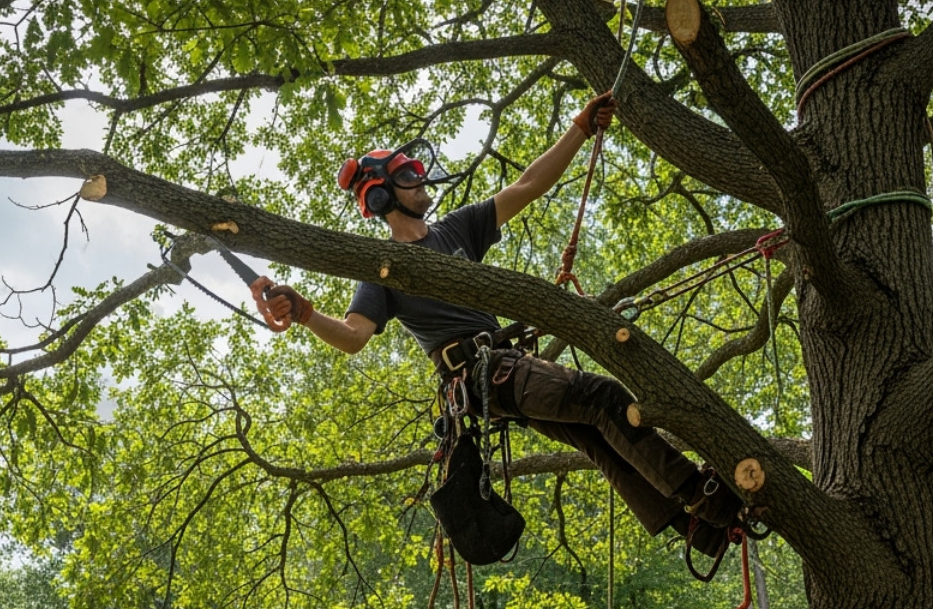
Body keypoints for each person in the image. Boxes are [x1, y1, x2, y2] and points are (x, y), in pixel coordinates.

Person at [249, 92, 742, 558]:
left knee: (596, 433)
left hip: (507, 368)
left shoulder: (457, 230)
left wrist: (579, 129)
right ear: (380, 198)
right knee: (603, 398)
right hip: (482, 378)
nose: (422, 181)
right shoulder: (382, 269)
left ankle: (697, 529)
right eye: (408, 177)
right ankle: (705, 497)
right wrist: (308, 314)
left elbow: (528, 184)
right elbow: (354, 337)